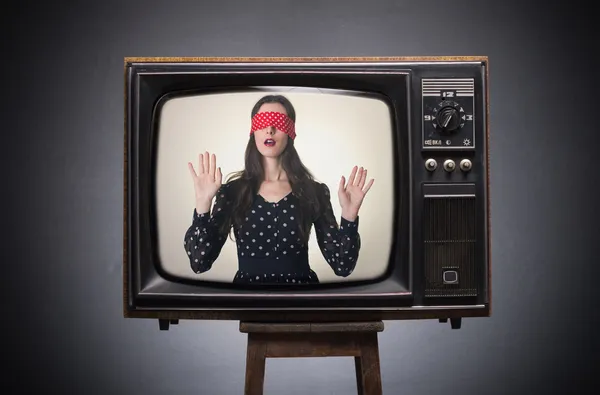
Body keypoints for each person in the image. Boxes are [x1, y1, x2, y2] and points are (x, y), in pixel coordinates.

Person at [183, 95, 374, 285]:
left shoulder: (314, 192)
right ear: (253, 131)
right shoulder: (232, 192)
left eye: (278, 122)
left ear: (291, 131)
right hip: (250, 304)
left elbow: (342, 266)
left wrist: (349, 216)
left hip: (303, 303)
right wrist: (203, 204)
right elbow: (199, 262)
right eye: (263, 122)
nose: (270, 129)